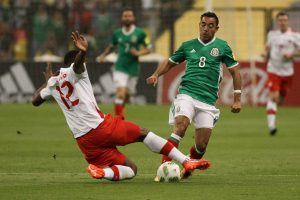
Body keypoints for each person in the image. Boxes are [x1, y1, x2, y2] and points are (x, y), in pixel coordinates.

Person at [32, 31, 210, 181]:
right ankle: (186, 161)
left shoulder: (52, 84)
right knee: (143, 134)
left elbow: (35, 101)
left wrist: (47, 84)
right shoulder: (76, 71)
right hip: (100, 127)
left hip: (85, 143)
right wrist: (83, 52)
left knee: (131, 169)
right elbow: (77, 67)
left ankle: (103, 172)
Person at [147, 11, 242, 179]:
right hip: (187, 94)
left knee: (201, 146)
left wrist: (237, 99)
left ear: (216, 28)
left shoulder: (222, 47)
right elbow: (169, 63)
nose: (206, 28)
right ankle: (164, 168)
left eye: (210, 26)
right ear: (199, 25)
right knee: (180, 126)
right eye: (203, 25)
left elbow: (235, 73)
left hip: (208, 101)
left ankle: (188, 167)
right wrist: (156, 75)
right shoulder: (187, 45)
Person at [97, 7, 151, 119]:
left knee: (127, 95)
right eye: (125, 16)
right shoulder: (117, 33)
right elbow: (111, 47)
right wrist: (103, 55)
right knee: (120, 94)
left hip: (133, 68)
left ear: (133, 18)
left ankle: (121, 111)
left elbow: (149, 48)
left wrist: (138, 52)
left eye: (129, 16)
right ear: (122, 18)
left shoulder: (140, 33)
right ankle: (119, 120)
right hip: (120, 66)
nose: (127, 18)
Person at [265, 11, 300, 136]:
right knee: (274, 97)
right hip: (273, 69)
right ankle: (271, 126)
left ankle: (271, 106)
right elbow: (268, 48)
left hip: (287, 72)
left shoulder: (295, 35)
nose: (282, 22)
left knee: (280, 100)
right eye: (280, 20)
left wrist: (292, 54)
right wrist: (266, 55)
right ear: (277, 22)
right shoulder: (272, 34)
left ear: (288, 21)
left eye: (284, 20)